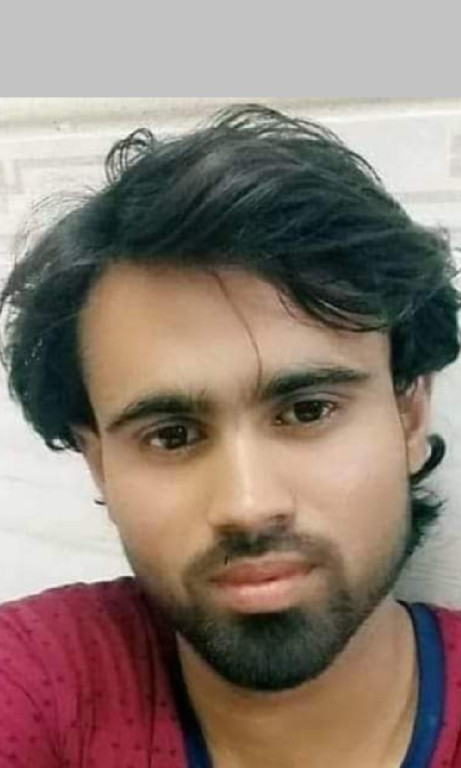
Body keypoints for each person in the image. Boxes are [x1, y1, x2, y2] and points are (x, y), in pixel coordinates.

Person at [0, 103, 460, 768]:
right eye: (171, 435)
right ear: (99, 464)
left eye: (307, 410)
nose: (247, 505)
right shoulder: (40, 680)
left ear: (409, 418)